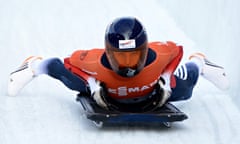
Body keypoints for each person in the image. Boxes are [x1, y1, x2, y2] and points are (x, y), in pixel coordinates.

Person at [8, 17, 229, 111]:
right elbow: (70, 63)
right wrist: (93, 83)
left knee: (184, 90)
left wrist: (164, 78)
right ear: (108, 53)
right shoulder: (93, 61)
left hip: (150, 85)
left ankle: (200, 63)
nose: (127, 64)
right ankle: (35, 66)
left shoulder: (160, 53)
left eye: (133, 56)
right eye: (120, 57)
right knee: (68, 77)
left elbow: (177, 52)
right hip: (107, 85)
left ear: (145, 51)